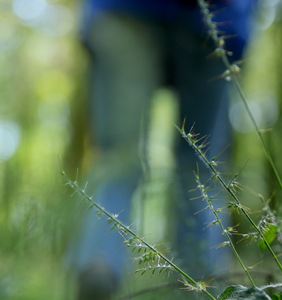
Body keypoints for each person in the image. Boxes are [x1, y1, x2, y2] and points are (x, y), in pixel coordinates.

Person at [72, 0, 256, 299]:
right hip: (215, 15)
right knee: (200, 171)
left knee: (119, 158)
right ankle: (203, 286)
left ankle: (101, 265)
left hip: (124, 9)